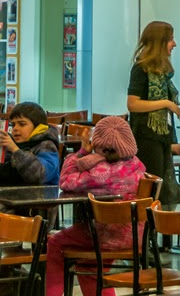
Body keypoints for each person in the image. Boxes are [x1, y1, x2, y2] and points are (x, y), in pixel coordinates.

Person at [45, 116, 146, 296]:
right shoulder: (136, 165)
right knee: (89, 265)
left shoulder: (98, 171)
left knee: (55, 243)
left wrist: (82, 152)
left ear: (97, 142)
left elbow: (66, 181)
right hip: (133, 234)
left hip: (105, 234)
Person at [126, 20, 180, 208]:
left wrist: (172, 146)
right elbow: (132, 104)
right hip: (145, 140)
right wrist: (167, 103)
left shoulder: (161, 73)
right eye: (170, 39)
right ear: (159, 42)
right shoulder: (141, 68)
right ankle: (150, 226)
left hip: (160, 141)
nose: (174, 44)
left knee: (163, 194)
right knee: (153, 194)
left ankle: (158, 225)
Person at [0, 101, 60, 185]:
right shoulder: (13, 144)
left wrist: (15, 150)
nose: (15, 128)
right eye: (13, 125)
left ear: (37, 127)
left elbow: (39, 174)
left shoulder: (47, 146)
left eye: (22, 124)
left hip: (41, 193)